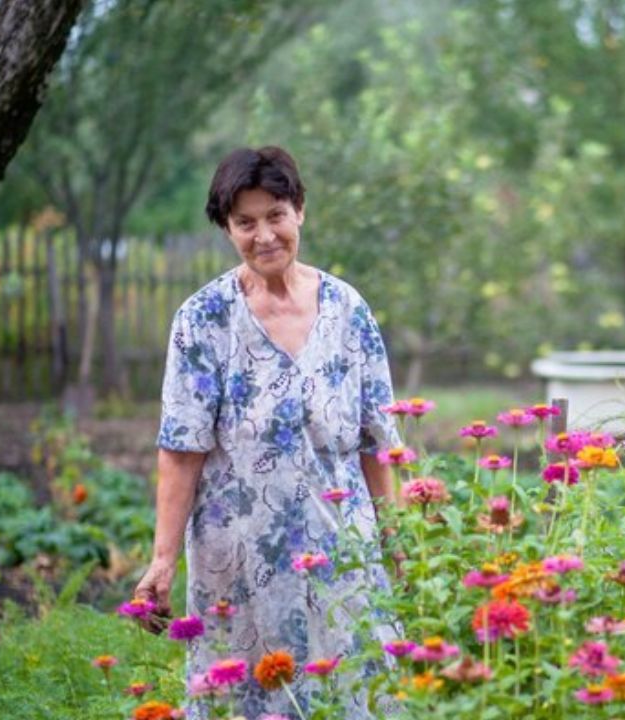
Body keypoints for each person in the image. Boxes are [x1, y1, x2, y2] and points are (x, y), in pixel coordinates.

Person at [134, 146, 403, 718]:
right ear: (227, 228)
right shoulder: (203, 319)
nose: (264, 235)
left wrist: (398, 538)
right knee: (248, 700)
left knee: (359, 692)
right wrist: (162, 561)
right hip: (238, 560)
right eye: (245, 222)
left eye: (275, 215)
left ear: (300, 210)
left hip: (343, 550)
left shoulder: (348, 310)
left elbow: (379, 441)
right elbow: (181, 450)